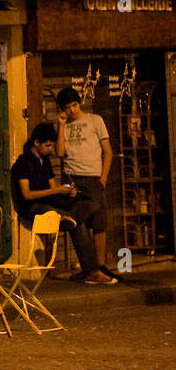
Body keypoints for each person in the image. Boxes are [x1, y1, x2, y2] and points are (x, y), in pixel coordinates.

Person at [11, 121, 115, 285]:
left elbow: (53, 188)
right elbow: (27, 195)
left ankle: (72, 218)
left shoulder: (45, 161)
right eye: (48, 146)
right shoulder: (23, 162)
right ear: (36, 143)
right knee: (75, 223)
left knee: (93, 203)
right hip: (33, 207)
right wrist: (56, 191)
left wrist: (68, 193)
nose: (51, 150)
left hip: (50, 204)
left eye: (52, 146)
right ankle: (92, 271)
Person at [55, 87, 120, 281]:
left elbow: (107, 151)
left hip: (93, 177)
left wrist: (103, 179)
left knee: (99, 222)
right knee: (77, 222)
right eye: (67, 108)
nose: (72, 111)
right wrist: (60, 126)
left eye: (74, 105)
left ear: (79, 103)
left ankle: (99, 266)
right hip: (72, 178)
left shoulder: (95, 120)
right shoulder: (63, 124)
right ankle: (89, 268)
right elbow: (60, 153)